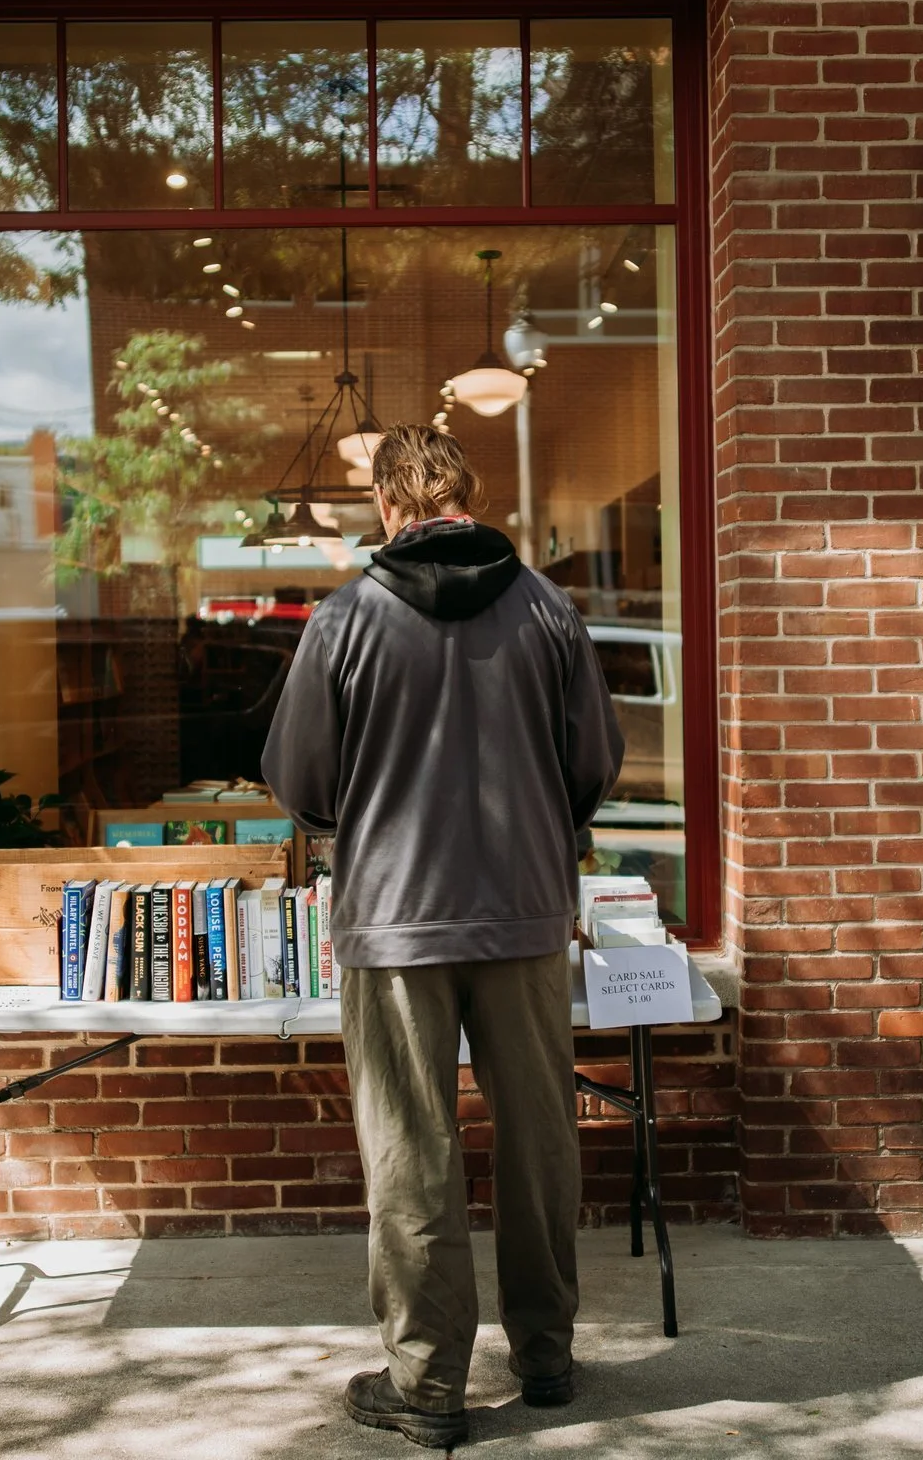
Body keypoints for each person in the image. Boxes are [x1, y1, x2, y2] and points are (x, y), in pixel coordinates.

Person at [262, 422, 624, 1450]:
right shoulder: (547, 607)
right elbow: (595, 758)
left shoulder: (345, 617)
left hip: (392, 919)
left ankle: (426, 1382)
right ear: (468, 493)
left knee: (411, 1145)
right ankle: (546, 1357)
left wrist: (366, 810)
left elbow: (299, 781)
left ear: (388, 504)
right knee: (541, 1134)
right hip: (521, 912)